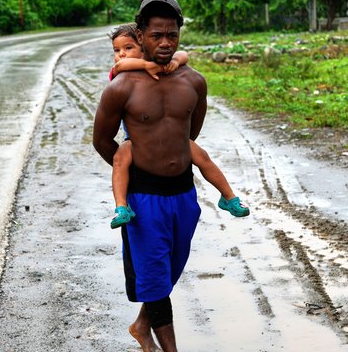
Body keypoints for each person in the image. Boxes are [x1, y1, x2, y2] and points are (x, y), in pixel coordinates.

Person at [94, 0, 213, 352]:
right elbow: (101, 141)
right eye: (156, 35)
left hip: (183, 194)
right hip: (144, 200)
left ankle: (143, 323)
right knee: (156, 278)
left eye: (172, 35)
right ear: (141, 36)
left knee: (171, 268)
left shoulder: (194, 81)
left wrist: (168, 158)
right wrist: (133, 169)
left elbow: (189, 134)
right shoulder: (121, 87)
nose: (165, 42)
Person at [107, 24, 249, 229]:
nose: (121, 55)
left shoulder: (164, 68)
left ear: (144, 46)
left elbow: (183, 54)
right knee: (120, 158)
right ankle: (121, 206)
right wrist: (145, 66)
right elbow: (120, 67)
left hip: (173, 139)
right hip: (137, 141)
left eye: (128, 48)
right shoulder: (122, 75)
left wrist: (175, 61)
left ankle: (229, 197)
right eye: (116, 50)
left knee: (202, 156)